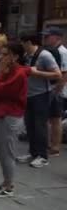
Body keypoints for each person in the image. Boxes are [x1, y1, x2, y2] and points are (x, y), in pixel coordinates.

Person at [0, 42, 31, 198]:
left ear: (15, 56)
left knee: (7, 151)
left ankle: (9, 185)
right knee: (0, 149)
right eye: (1, 53)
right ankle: (5, 181)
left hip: (9, 115)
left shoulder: (18, 74)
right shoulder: (8, 71)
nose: (1, 57)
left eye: (5, 54)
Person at [17, 33, 62, 168]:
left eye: (23, 43)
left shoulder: (44, 55)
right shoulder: (26, 56)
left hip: (41, 95)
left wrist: (37, 73)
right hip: (28, 95)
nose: (22, 46)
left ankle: (42, 156)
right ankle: (33, 152)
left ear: (29, 42)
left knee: (40, 125)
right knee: (29, 124)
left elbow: (57, 74)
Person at [41, 26, 67, 157]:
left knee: (55, 118)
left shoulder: (63, 52)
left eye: (48, 36)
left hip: (57, 91)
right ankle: (48, 143)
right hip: (49, 89)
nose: (45, 38)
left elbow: (64, 74)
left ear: (57, 38)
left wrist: (57, 90)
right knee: (48, 117)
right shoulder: (50, 50)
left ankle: (55, 146)